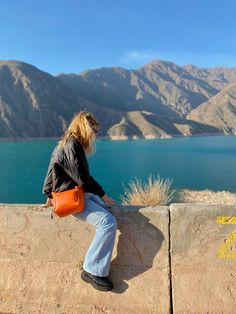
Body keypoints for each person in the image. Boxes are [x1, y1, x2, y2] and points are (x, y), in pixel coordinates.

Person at [42, 111, 117, 291]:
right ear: (84, 127)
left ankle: (93, 266)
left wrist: (49, 195)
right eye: (93, 129)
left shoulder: (64, 144)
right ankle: (91, 269)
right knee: (108, 223)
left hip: (75, 194)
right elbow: (84, 178)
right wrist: (103, 194)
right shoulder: (72, 145)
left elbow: (51, 171)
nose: (94, 134)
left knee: (108, 210)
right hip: (72, 198)